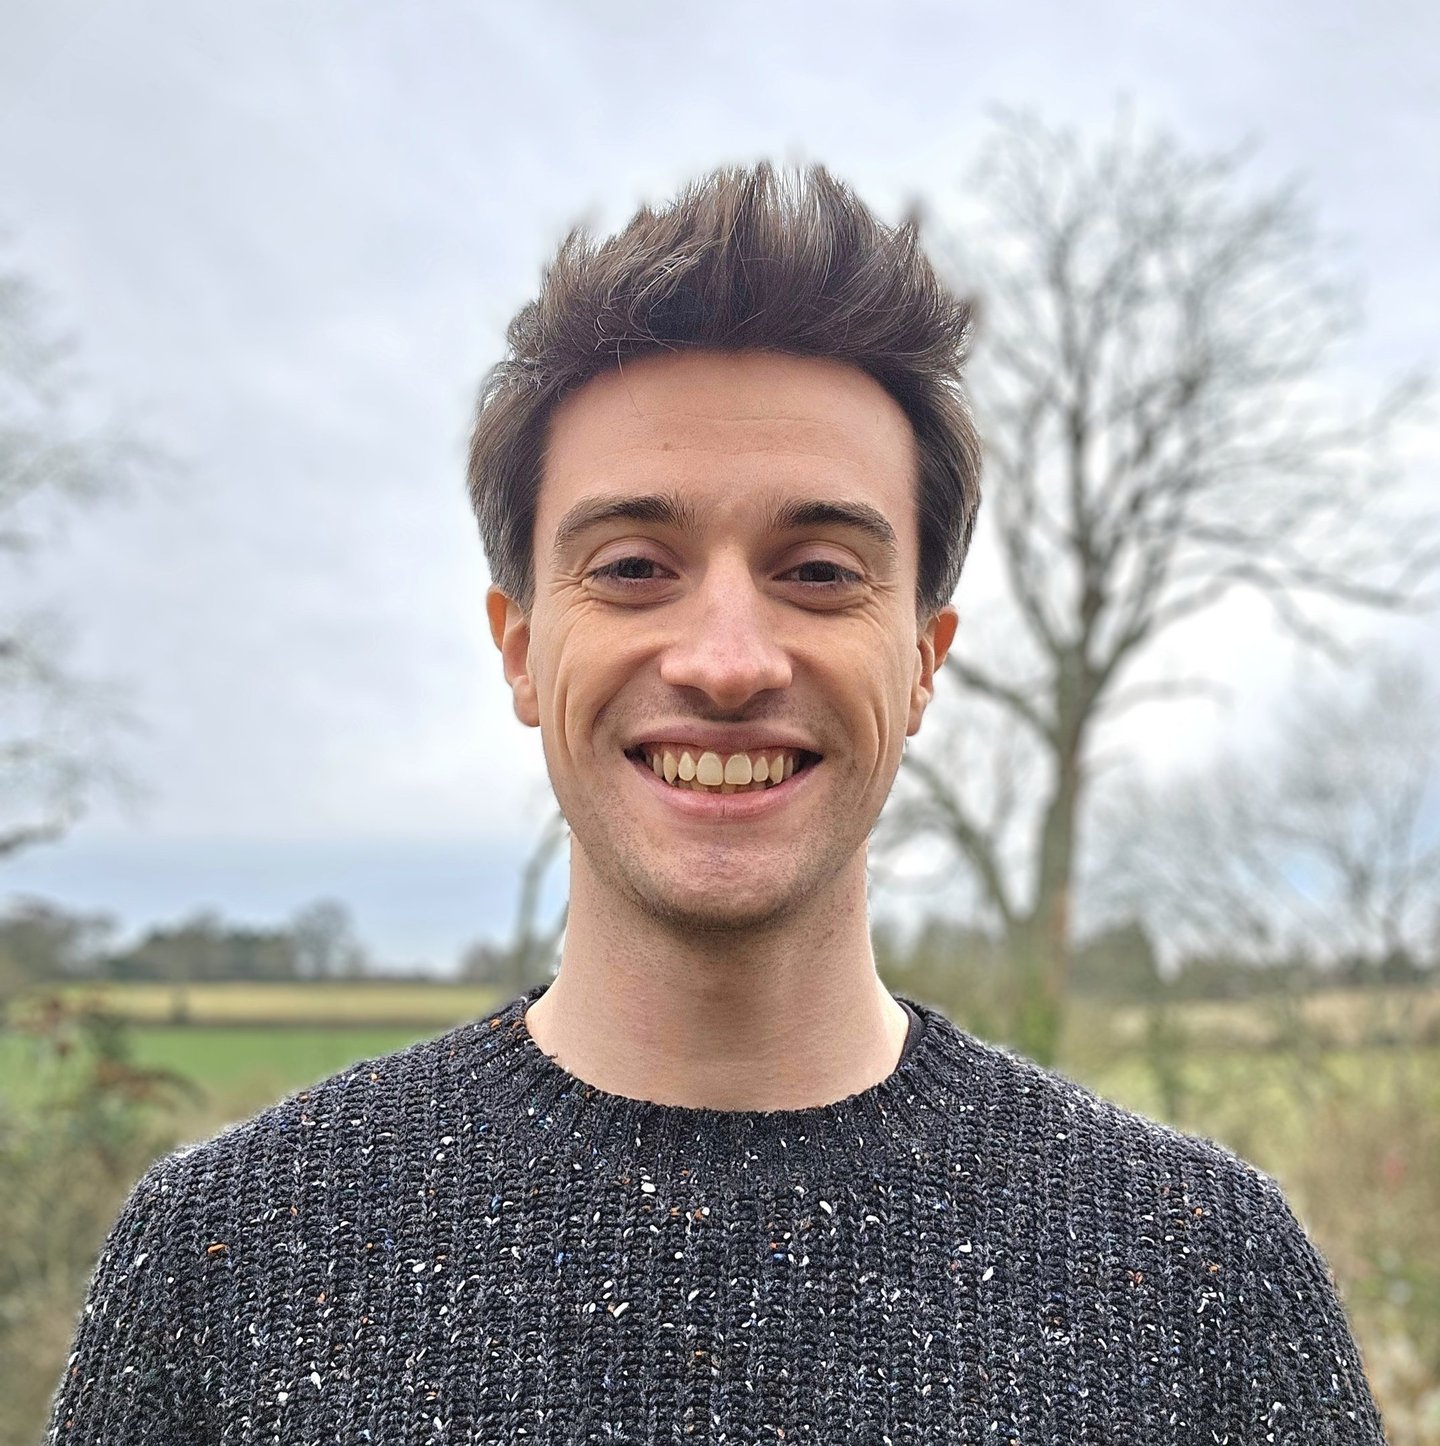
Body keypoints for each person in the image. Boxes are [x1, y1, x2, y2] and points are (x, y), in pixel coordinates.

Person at [47, 164, 1386, 1444]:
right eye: (635, 566)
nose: (729, 661)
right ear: (521, 650)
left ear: (924, 660)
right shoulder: (227, 1264)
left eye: (819, 571)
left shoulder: (1206, 1285)